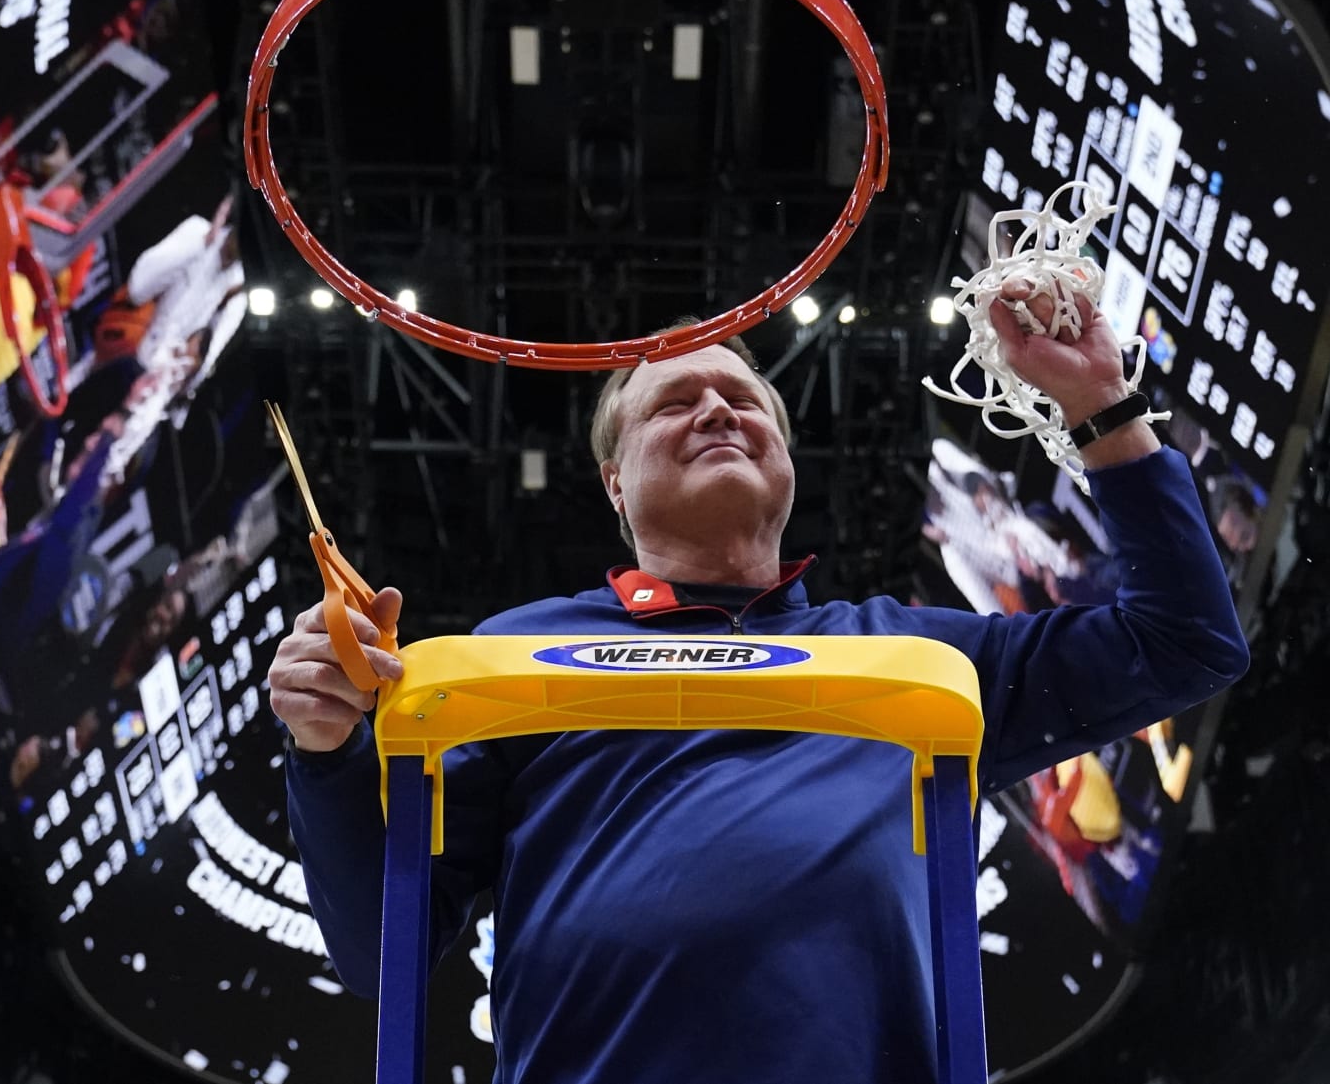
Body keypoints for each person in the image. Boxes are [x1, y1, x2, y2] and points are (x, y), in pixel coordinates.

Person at [269, 281, 1249, 1083]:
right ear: (616, 485)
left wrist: (1104, 408)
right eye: (674, 402)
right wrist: (327, 751)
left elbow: (1186, 641)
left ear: (784, 460)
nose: (716, 409)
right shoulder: (514, 651)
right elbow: (377, 947)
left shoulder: (911, 653)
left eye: (744, 401)